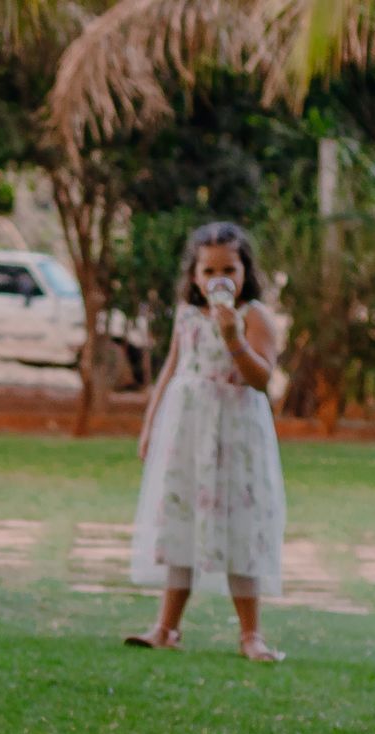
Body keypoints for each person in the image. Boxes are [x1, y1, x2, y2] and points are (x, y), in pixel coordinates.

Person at [125, 221, 286, 663]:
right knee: (181, 519)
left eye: (229, 270)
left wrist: (233, 338)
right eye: (208, 269)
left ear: (244, 272)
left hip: (236, 435)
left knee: (239, 525)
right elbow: (172, 370)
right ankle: (166, 626)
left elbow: (261, 378)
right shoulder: (186, 315)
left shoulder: (254, 316)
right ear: (194, 275)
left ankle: (251, 633)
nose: (219, 278)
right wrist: (151, 424)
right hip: (189, 432)